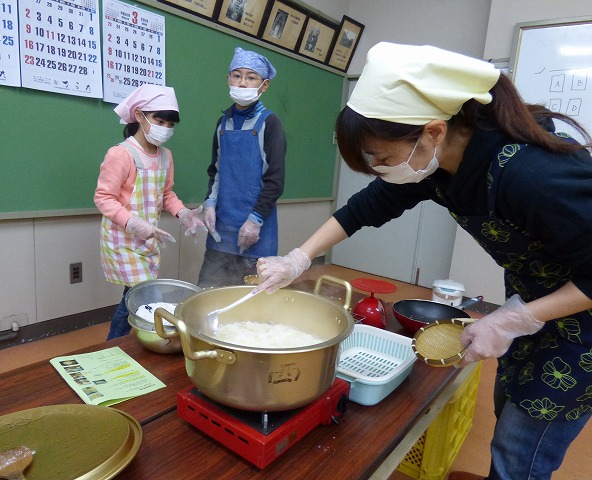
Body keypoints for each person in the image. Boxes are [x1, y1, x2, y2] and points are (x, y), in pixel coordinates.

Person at [254, 42, 592, 480]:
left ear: (433, 131)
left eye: (382, 158)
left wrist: (515, 319)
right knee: (508, 411)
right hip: (537, 304)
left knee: (519, 452)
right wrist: (298, 259)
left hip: (582, 332)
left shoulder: (532, 174)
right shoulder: (437, 163)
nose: (379, 168)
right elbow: (365, 208)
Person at [95, 84, 205, 340]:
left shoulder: (165, 156)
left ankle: (119, 344)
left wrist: (183, 213)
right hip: (122, 241)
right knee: (144, 295)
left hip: (148, 240)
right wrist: (133, 223)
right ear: (139, 115)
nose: (165, 128)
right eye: (159, 121)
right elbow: (103, 197)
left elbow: (166, 194)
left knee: (133, 296)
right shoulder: (121, 154)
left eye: (170, 124)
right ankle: (116, 344)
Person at [197, 47, 286, 288]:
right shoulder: (222, 123)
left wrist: (255, 221)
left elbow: (275, 181)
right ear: (228, 78)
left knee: (249, 295)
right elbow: (216, 170)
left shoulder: (270, 123)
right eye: (237, 75)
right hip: (222, 228)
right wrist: (210, 204)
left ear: (264, 85)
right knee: (208, 290)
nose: (243, 83)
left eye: (251, 77)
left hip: (257, 228)